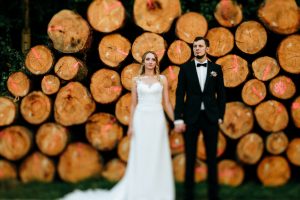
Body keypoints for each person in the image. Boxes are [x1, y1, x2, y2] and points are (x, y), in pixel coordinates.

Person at [61, 51, 175, 200]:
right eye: (147, 59)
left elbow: (166, 102)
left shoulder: (162, 79)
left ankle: (157, 190)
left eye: (153, 59)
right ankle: (140, 190)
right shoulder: (137, 80)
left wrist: (176, 120)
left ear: (156, 62)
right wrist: (131, 126)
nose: (150, 62)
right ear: (143, 62)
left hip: (157, 117)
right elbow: (134, 104)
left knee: (156, 151)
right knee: (141, 153)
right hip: (142, 118)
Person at [174, 36, 226, 200]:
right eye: (195, 46)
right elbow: (180, 94)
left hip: (211, 117)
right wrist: (178, 118)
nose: (197, 48)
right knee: (190, 156)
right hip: (191, 118)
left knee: (212, 157)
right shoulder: (185, 68)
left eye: (200, 46)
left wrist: (220, 115)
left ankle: (213, 195)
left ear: (207, 48)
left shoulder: (216, 69)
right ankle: (188, 195)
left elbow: (221, 95)